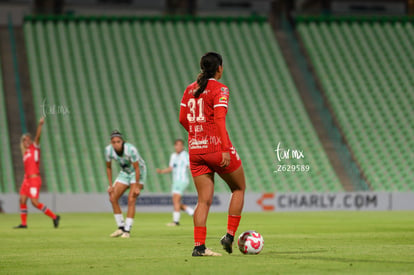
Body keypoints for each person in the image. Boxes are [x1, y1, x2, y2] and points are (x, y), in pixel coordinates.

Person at [179, 52, 246, 256]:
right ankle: (229, 236)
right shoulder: (220, 89)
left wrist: (197, 134)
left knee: (203, 201)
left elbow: (182, 118)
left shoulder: (190, 89)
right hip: (216, 148)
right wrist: (224, 149)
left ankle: (199, 247)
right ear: (219, 68)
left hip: (196, 150)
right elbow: (219, 120)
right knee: (238, 188)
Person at [14, 117, 60, 229]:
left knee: (34, 202)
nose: (27, 141)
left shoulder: (35, 148)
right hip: (27, 179)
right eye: (25, 140)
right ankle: (24, 224)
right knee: (22, 199)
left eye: (28, 139)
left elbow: (38, 137)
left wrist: (40, 125)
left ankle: (54, 217)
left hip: (34, 179)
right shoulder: (25, 153)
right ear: (22, 142)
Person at [105, 130, 146, 238]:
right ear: (111, 143)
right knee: (113, 198)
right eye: (113, 142)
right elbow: (108, 167)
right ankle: (121, 227)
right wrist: (110, 185)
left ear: (122, 141)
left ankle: (127, 230)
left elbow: (137, 168)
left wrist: (137, 186)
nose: (116, 144)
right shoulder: (108, 151)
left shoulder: (130, 149)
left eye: (118, 141)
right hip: (125, 172)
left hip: (137, 172)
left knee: (131, 199)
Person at [156, 139, 194, 226]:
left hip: (182, 180)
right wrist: (161, 171)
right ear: (175, 146)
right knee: (176, 201)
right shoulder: (173, 156)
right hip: (175, 181)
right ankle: (192, 212)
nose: (179, 147)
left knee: (176, 200)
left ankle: (176, 221)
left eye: (181, 145)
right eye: (177, 145)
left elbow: (190, 165)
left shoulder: (185, 155)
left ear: (183, 146)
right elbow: (170, 168)